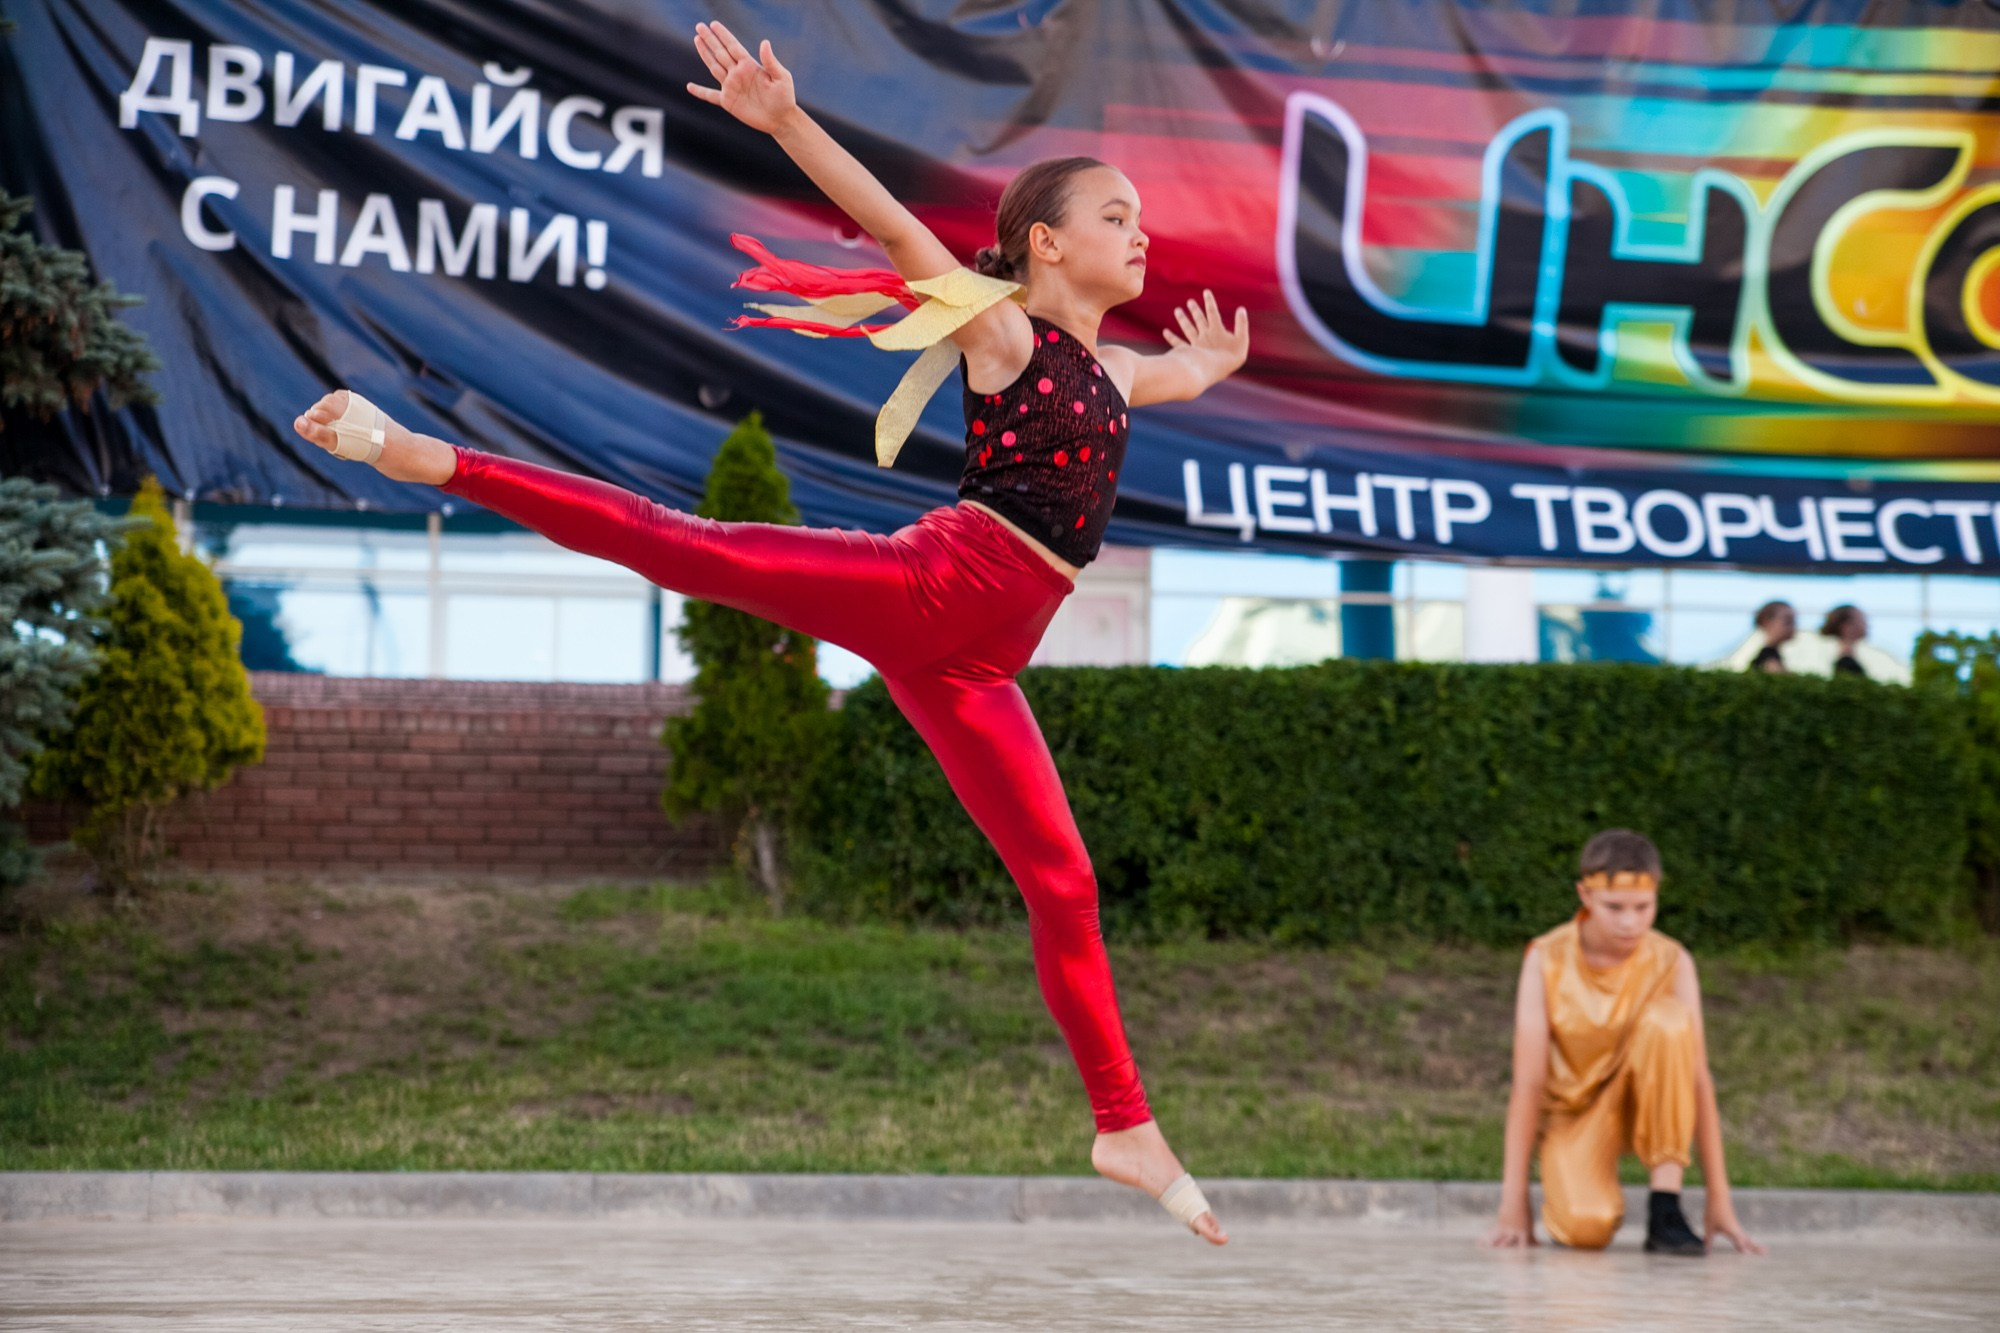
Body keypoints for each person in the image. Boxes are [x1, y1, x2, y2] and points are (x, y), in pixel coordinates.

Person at [292, 19, 1247, 1244]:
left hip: (978, 665)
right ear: (1047, 243)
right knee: (676, 540)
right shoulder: (1002, 335)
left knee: (1063, 881)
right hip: (931, 591)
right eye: (1118, 214)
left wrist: (1209, 371)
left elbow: (1161, 383)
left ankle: (1121, 1124)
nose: (1142, 230)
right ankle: (428, 455)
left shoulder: (1108, 376)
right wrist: (786, 119)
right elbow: (899, 232)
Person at [1485, 830, 1765, 1256]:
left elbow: (1697, 1079)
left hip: (1648, 1103)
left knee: (1669, 1022)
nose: (1630, 922)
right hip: (1574, 1113)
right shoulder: (1546, 958)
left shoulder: (1673, 961)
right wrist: (1514, 1200)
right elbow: (1527, 1083)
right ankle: (1582, 1194)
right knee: (1585, 1229)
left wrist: (1719, 1197)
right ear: (1585, 895)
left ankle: (1665, 1209)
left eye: (1643, 907)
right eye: (1614, 907)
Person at [1747, 601, 1794, 674]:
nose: (1793, 627)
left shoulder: (1774, 656)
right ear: (1767, 622)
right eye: (1788, 621)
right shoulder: (1769, 660)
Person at [1822, 605, 1869, 677]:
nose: (1867, 625)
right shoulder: (1821, 648)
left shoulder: (1872, 653)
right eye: (1862, 621)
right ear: (1845, 625)